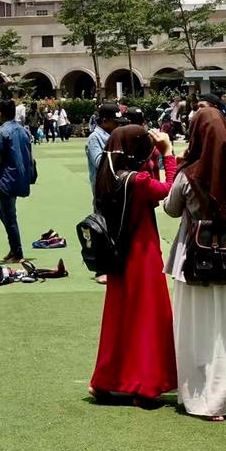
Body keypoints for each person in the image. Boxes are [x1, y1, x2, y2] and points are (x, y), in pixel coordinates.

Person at [163, 108, 226, 420]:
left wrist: (177, 162)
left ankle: (199, 395)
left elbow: (171, 209)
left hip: (194, 260)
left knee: (196, 329)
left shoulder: (188, 175)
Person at [89, 125, 177, 407]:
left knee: (118, 318)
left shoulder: (107, 175)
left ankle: (105, 380)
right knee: (149, 317)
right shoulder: (137, 181)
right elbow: (168, 190)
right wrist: (168, 155)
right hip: (142, 253)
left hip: (117, 255)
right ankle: (145, 385)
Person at [0, 100, 34, 263]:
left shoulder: (2, 132)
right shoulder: (24, 131)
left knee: (9, 217)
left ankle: (18, 253)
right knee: (2, 213)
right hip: (21, 177)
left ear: (0, 113)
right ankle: (13, 246)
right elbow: (29, 156)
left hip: (8, 179)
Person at [86, 104, 122, 197]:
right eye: (115, 122)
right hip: (103, 189)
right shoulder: (94, 137)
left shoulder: (115, 134)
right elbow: (99, 162)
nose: (118, 125)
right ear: (105, 121)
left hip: (117, 186)